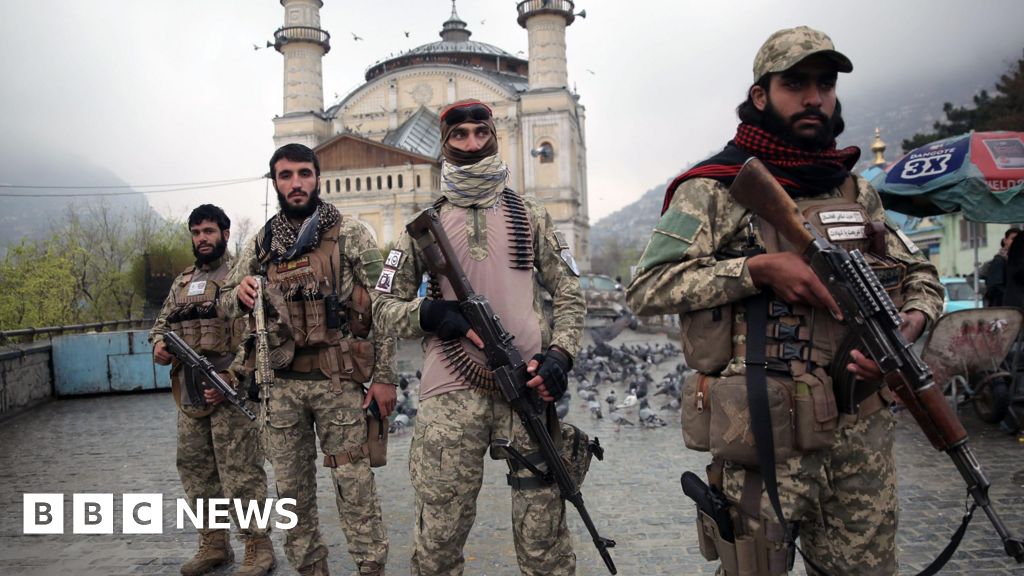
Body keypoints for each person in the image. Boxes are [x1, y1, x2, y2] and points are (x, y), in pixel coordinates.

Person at [627, 27, 943, 575]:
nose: (814, 97)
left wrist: (910, 324)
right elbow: (648, 287)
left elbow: (920, 275)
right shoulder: (715, 188)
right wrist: (756, 270)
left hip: (860, 434)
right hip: (763, 429)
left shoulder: (855, 191)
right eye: (795, 84)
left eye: (825, 84)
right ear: (760, 95)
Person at [372, 99, 586, 576]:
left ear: (493, 136)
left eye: (480, 132)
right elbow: (382, 307)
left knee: (544, 537)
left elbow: (570, 291)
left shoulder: (530, 214)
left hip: (527, 385)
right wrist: (429, 313)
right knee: (439, 535)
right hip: (450, 391)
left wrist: (560, 355)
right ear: (445, 143)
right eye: (459, 135)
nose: (472, 144)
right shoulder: (422, 227)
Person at [219, 144, 396, 576]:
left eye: (304, 173)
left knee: (354, 484)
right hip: (280, 387)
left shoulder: (351, 233)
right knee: (291, 493)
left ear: (318, 178)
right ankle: (309, 568)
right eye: (285, 175)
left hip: (338, 382)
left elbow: (386, 305)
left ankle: (371, 566)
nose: (295, 183)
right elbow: (223, 302)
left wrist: (385, 377)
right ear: (275, 182)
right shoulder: (263, 242)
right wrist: (239, 293)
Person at [150, 204, 275, 576]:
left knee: (242, 473)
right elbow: (161, 325)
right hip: (190, 395)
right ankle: (214, 543)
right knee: (196, 472)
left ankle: (258, 546)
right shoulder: (181, 282)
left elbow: (257, 334)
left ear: (224, 233)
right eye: (196, 232)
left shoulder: (241, 277)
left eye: (209, 231)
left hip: (231, 391)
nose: (202, 239)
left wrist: (232, 377)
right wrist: (159, 345)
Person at [983, 228, 1019, 306]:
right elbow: (994, 287)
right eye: (1013, 239)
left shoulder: (1017, 261)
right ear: (1005, 240)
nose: (1016, 242)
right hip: (1003, 307)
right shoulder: (1000, 260)